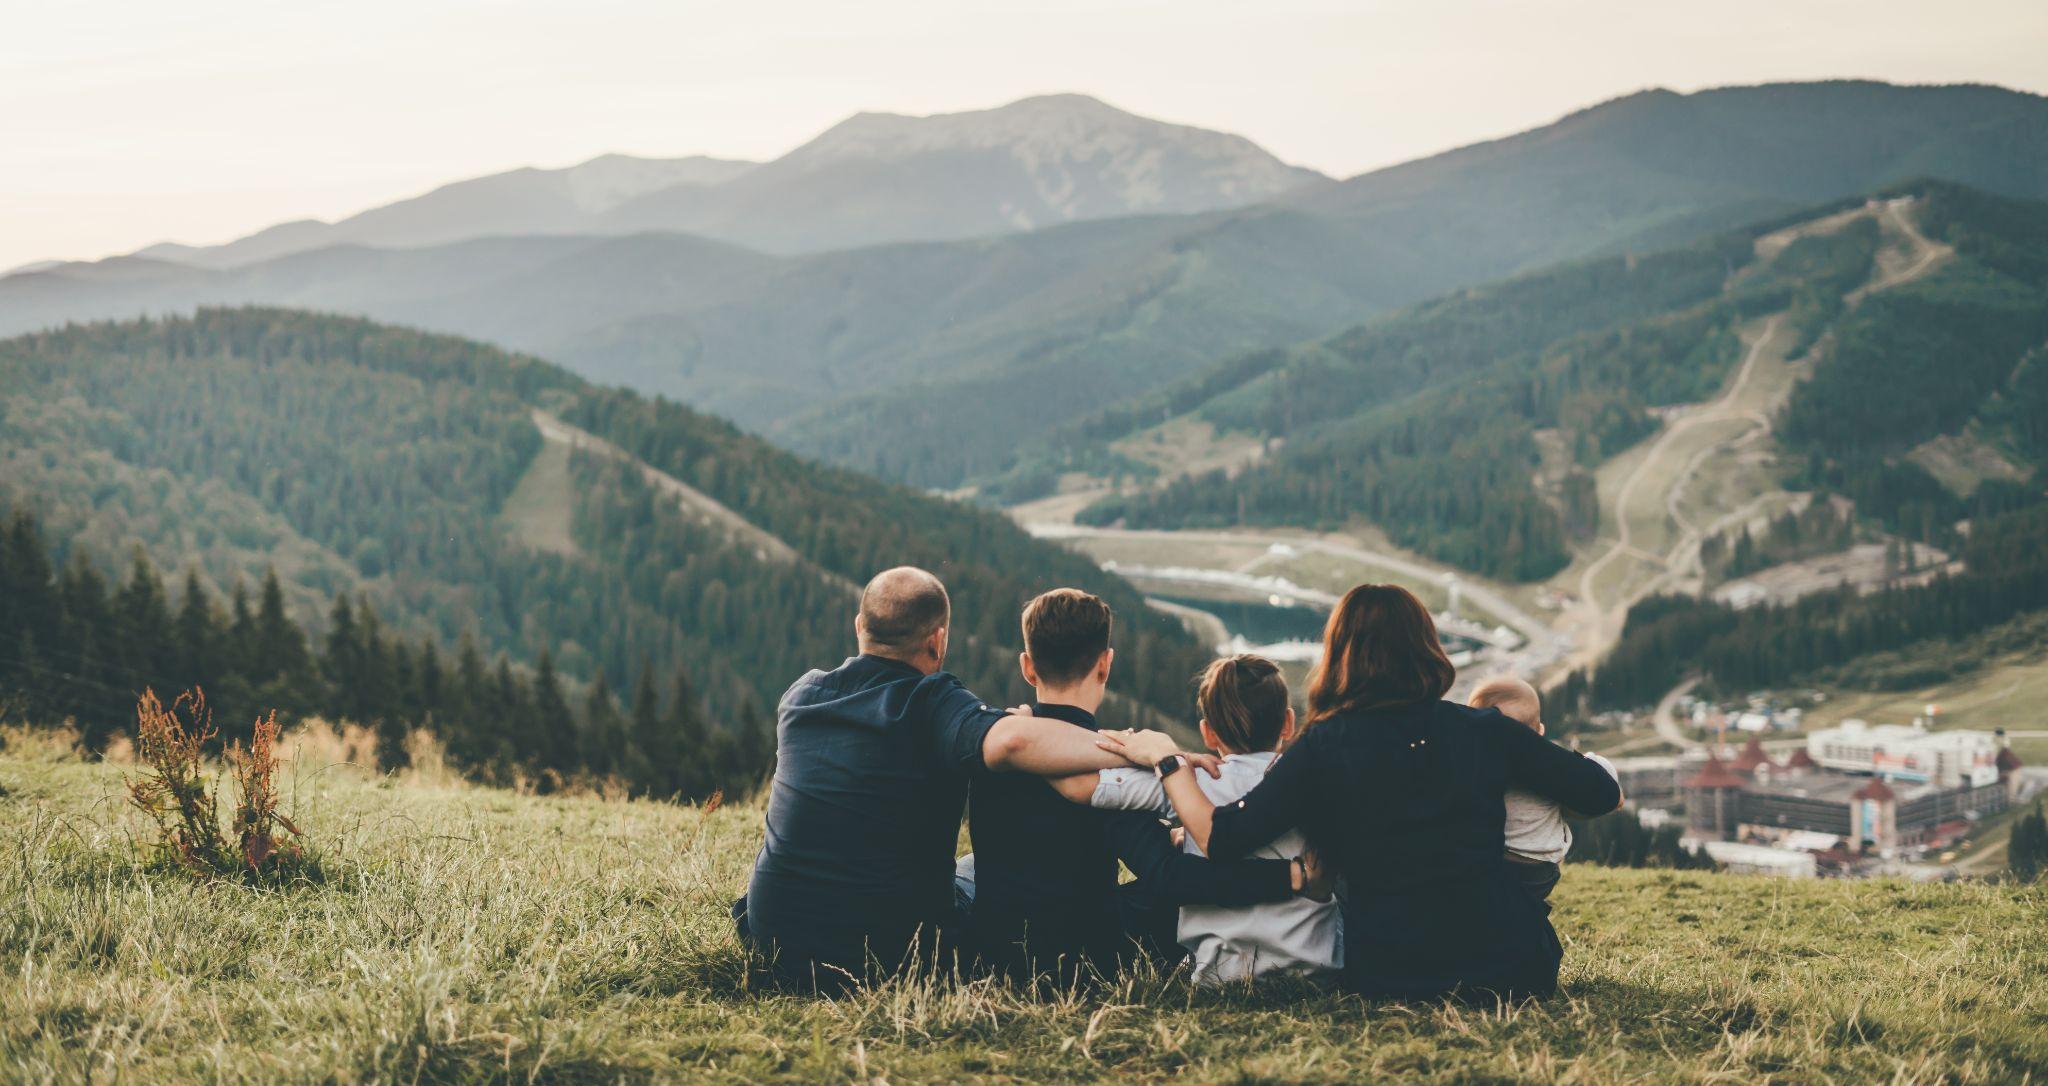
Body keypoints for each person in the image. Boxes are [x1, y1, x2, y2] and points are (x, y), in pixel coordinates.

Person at [1101, 584, 1622, 1001]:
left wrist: (1168, 761)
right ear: (1427, 648)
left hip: (1393, 972)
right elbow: (1598, 793)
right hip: (1512, 963)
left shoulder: (1324, 745)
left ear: (1340, 655)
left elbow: (1222, 837)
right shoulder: (1484, 730)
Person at [737, 567, 1143, 993]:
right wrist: (1146, 755)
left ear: (860, 627)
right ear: (938, 640)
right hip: (886, 956)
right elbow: (1013, 743)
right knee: (975, 874)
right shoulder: (931, 700)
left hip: (775, 940)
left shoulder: (803, 693)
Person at [962, 591, 1319, 983]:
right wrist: (1290, 876)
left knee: (971, 867)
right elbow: (1168, 879)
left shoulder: (994, 748)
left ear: (1028, 668)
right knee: (1167, 886)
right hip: (1079, 961)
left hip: (994, 950)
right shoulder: (1115, 773)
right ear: (1105, 665)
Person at [1051, 653, 1342, 984]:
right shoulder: (1310, 783)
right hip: (1315, 969)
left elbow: (1076, 786)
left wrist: (1128, 748)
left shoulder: (1187, 785)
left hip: (1219, 974)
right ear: (1288, 723)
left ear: (1208, 733)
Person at [1467, 676, 1620, 900]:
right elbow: (1597, 778)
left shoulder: (1476, 768)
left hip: (1490, 866)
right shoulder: (1548, 768)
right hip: (1539, 870)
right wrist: (1592, 761)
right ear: (1539, 731)